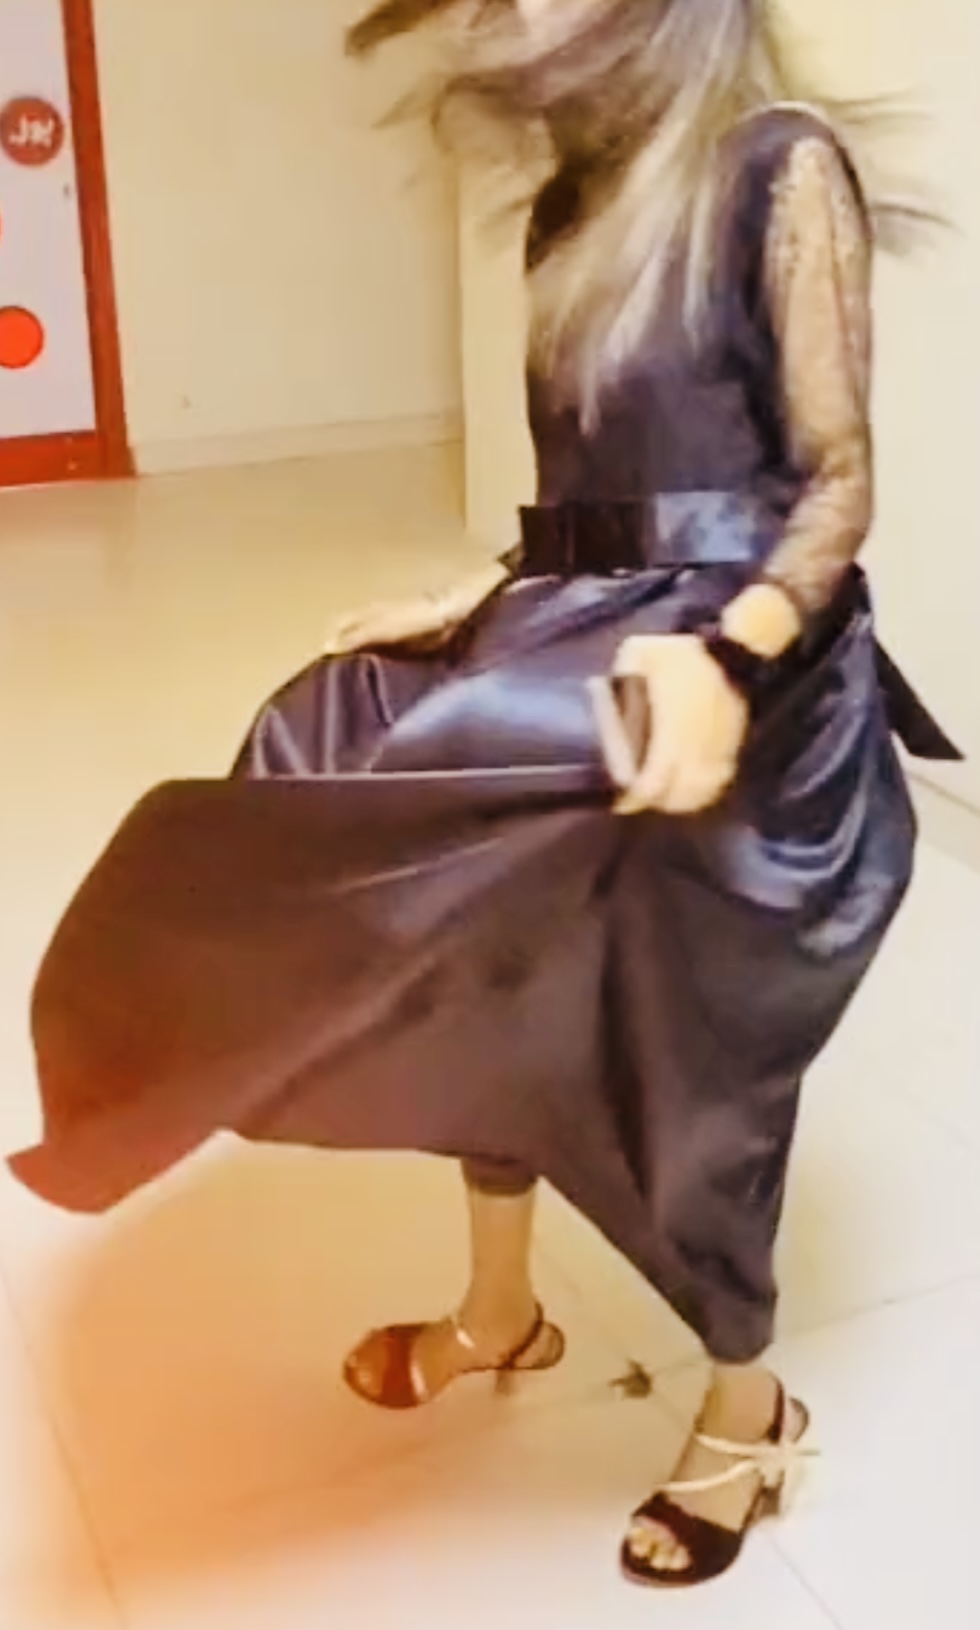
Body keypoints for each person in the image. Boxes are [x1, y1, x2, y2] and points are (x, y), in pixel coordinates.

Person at [10, 0, 959, 1591]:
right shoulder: (573, 199)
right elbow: (590, 495)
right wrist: (477, 594)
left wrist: (728, 655)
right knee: (360, 777)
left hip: (749, 662)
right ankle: (501, 1309)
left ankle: (748, 1407)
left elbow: (836, 486)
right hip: (590, 626)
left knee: (679, 1053)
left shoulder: (778, 167)